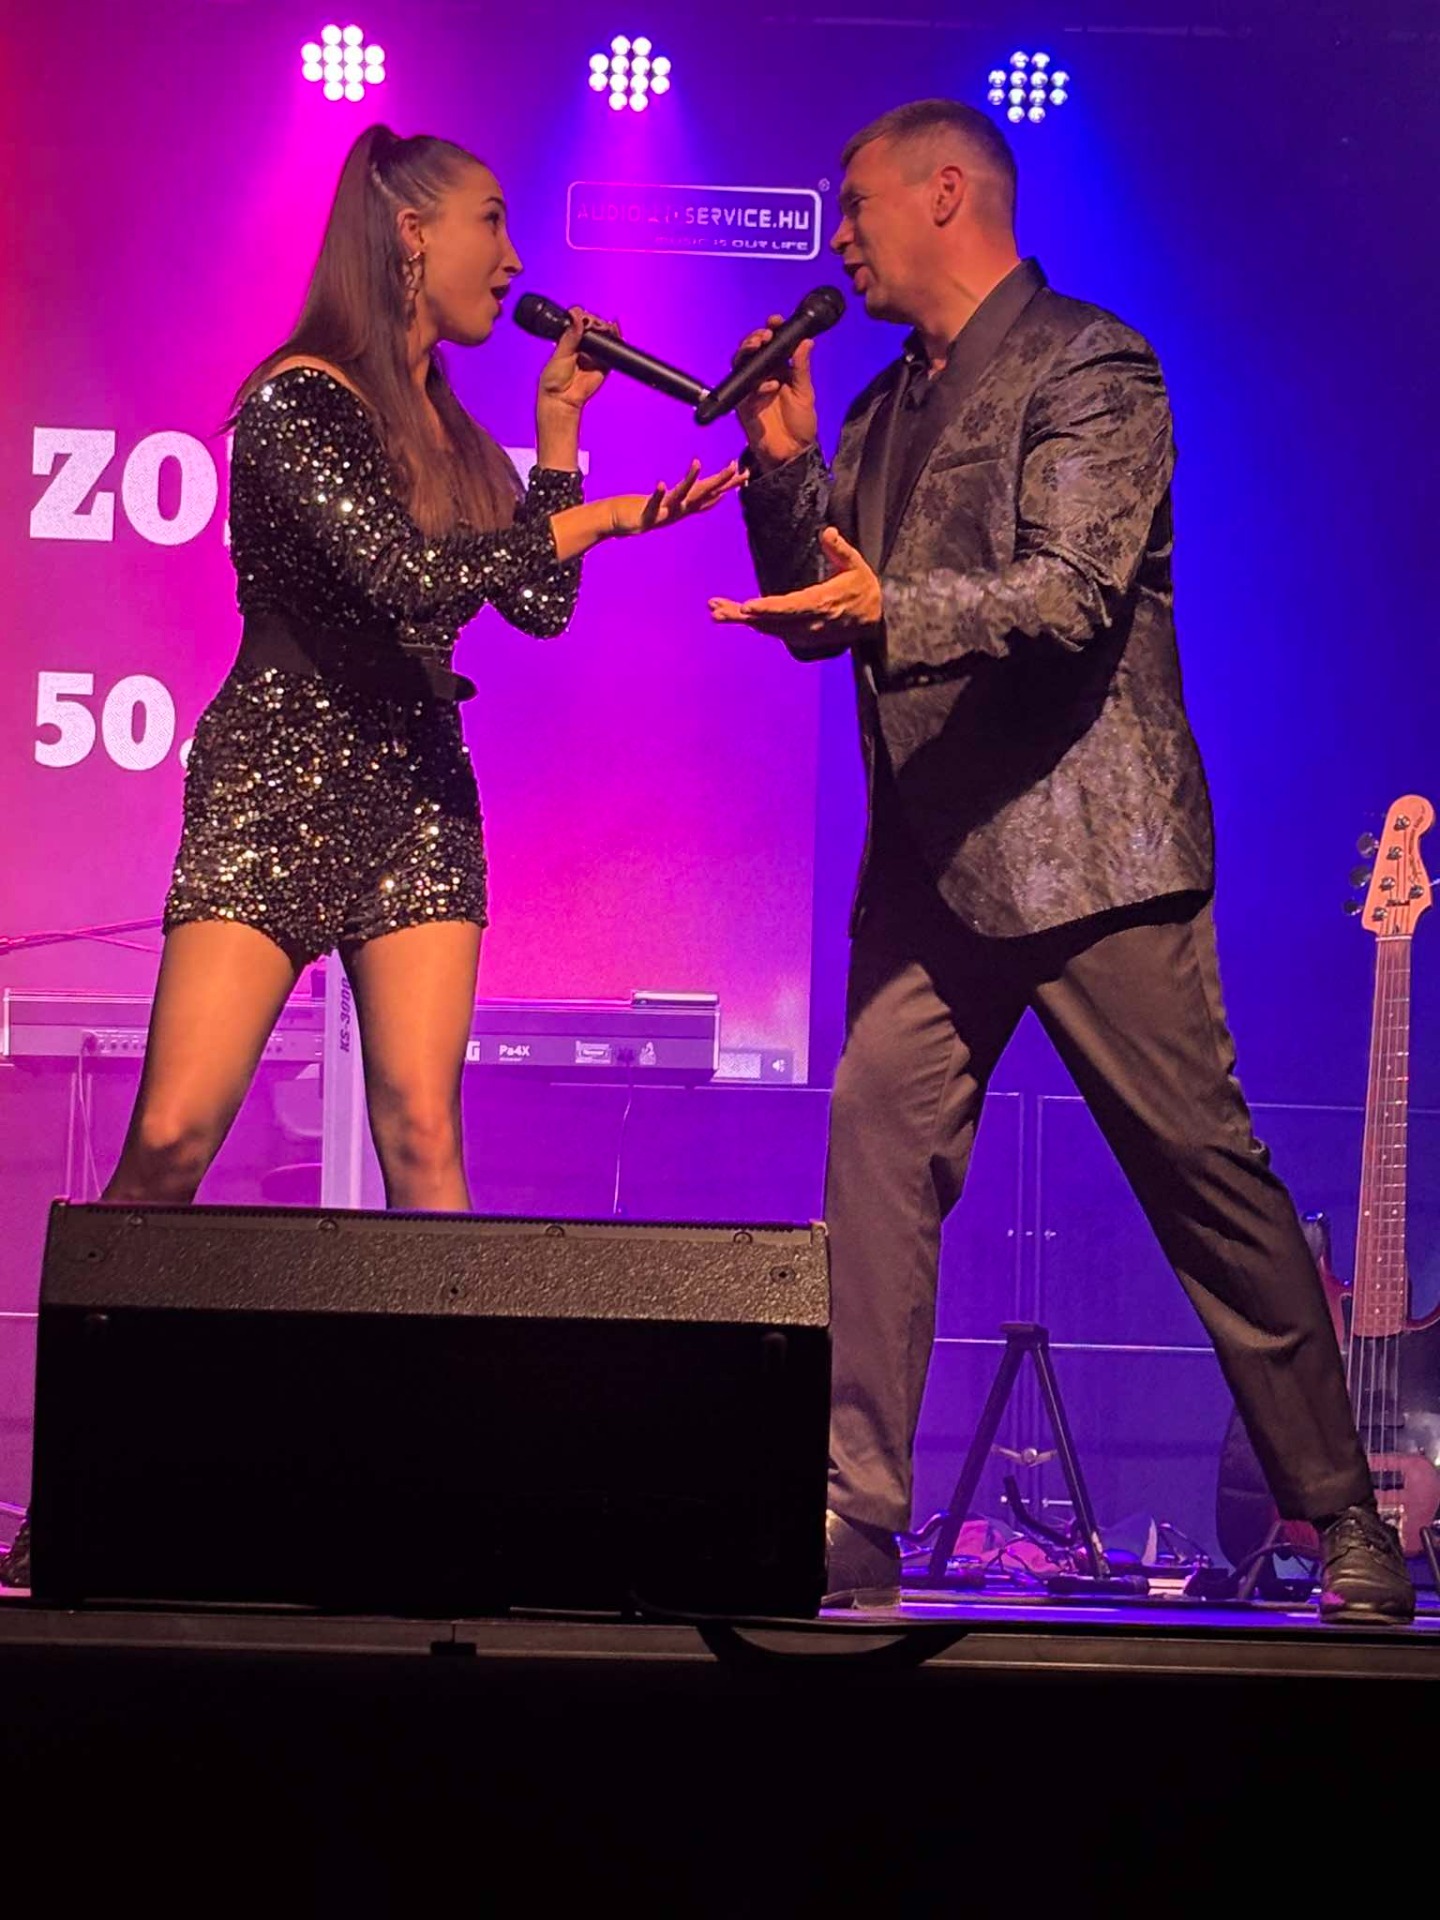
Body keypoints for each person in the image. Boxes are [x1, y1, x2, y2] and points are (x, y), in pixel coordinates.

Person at [0, 124, 740, 1592]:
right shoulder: (296, 400)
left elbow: (531, 610)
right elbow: (405, 578)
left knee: (423, 1134)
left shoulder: (446, 424)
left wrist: (559, 441)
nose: (513, 262)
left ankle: (451, 1494)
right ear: (410, 235)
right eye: (491, 224)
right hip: (278, 781)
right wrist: (593, 518)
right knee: (174, 1138)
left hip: (416, 790)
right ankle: (72, 1490)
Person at [711, 99, 1414, 1624]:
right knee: (875, 1153)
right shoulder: (882, 406)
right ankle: (854, 1519)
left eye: (856, 203)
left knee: (1204, 1177)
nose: (838, 235)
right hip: (933, 861)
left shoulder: (1094, 365)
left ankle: (1343, 1512)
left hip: (1093, 850)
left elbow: (1073, 593)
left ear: (944, 193)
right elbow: (821, 602)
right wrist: (783, 466)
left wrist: (890, 609)